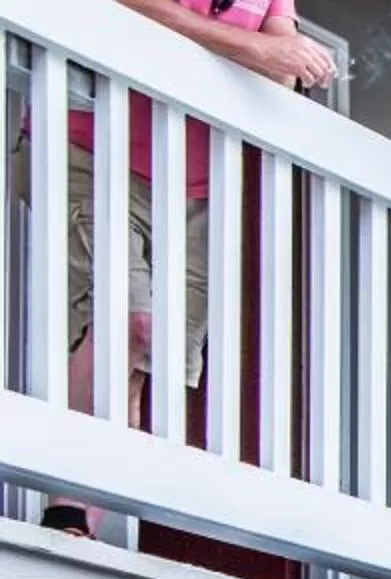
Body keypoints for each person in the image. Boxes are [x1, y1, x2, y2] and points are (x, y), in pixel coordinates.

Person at [14, 1, 334, 535]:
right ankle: (64, 504)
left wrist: (270, 52)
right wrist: (253, 46)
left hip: (193, 189)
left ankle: (77, 523)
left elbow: (283, 69)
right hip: (88, 151)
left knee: (144, 358)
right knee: (128, 322)